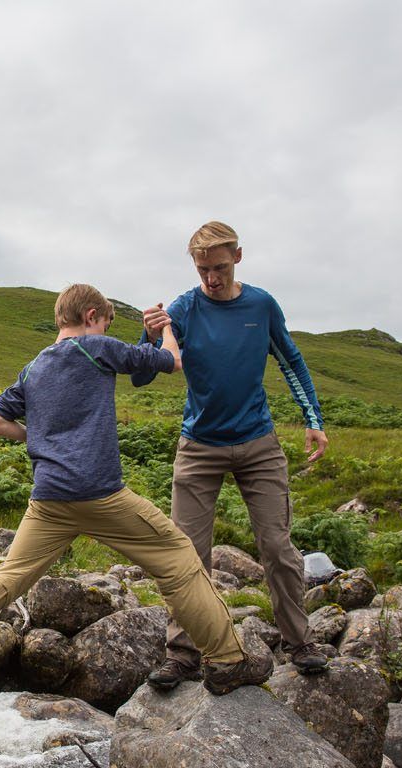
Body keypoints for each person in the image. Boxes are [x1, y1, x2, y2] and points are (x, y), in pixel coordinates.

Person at [0, 283, 273, 711]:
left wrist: (41, 440)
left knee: (6, 578)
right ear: (90, 316)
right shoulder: (95, 347)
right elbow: (172, 362)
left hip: (48, 500)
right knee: (179, 557)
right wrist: (167, 329)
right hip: (99, 493)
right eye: (102, 321)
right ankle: (229, 660)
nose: (102, 328)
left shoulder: (32, 368)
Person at [137, 221, 329, 689]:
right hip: (199, 446)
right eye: (203, 269)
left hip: (258, 445)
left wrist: (314, 420)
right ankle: (182, 653)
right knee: (186, 554)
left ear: (238, 257)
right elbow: (145, 375)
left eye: (220, 268)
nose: (212, 279)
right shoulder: (183, 308)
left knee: (277, 547)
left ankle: (299, 642)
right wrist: (148, 337)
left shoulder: (260, 305)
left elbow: (291, 360)